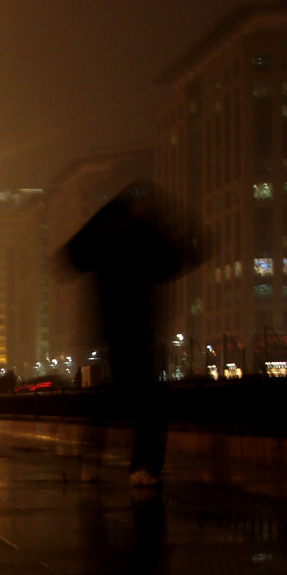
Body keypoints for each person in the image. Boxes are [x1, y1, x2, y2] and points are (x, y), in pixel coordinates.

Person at [64, 179, 202, 488]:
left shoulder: (110, 234)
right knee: (145, 402)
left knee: (115, 400)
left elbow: (73, 258)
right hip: (137, 330)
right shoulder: (138, 234)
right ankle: (142, 467)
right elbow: (175, 261)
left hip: (120, 331)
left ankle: (103, 461)